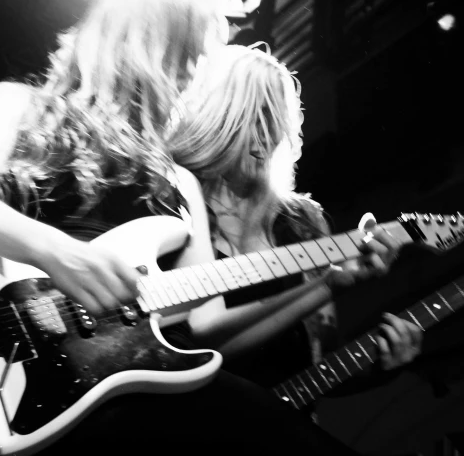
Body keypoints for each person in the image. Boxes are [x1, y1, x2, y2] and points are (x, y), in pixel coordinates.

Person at [0, 0, 406, 456]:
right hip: (4, 362)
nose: (194, 76)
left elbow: (203, 326)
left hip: (113, 394)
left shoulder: (181, 182)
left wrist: (326, 283)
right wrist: (58, 254)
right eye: (190, 56)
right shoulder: (17, 104)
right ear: (147, 43)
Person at [170, 43, 423, 405]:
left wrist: (379, 369)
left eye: (275, 126)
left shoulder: (302, 222)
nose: (266, 141)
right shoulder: (174, 201)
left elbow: (319, 368)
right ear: (217, 118)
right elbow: (199, 337)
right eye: (255, 122)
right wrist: (328, 284)